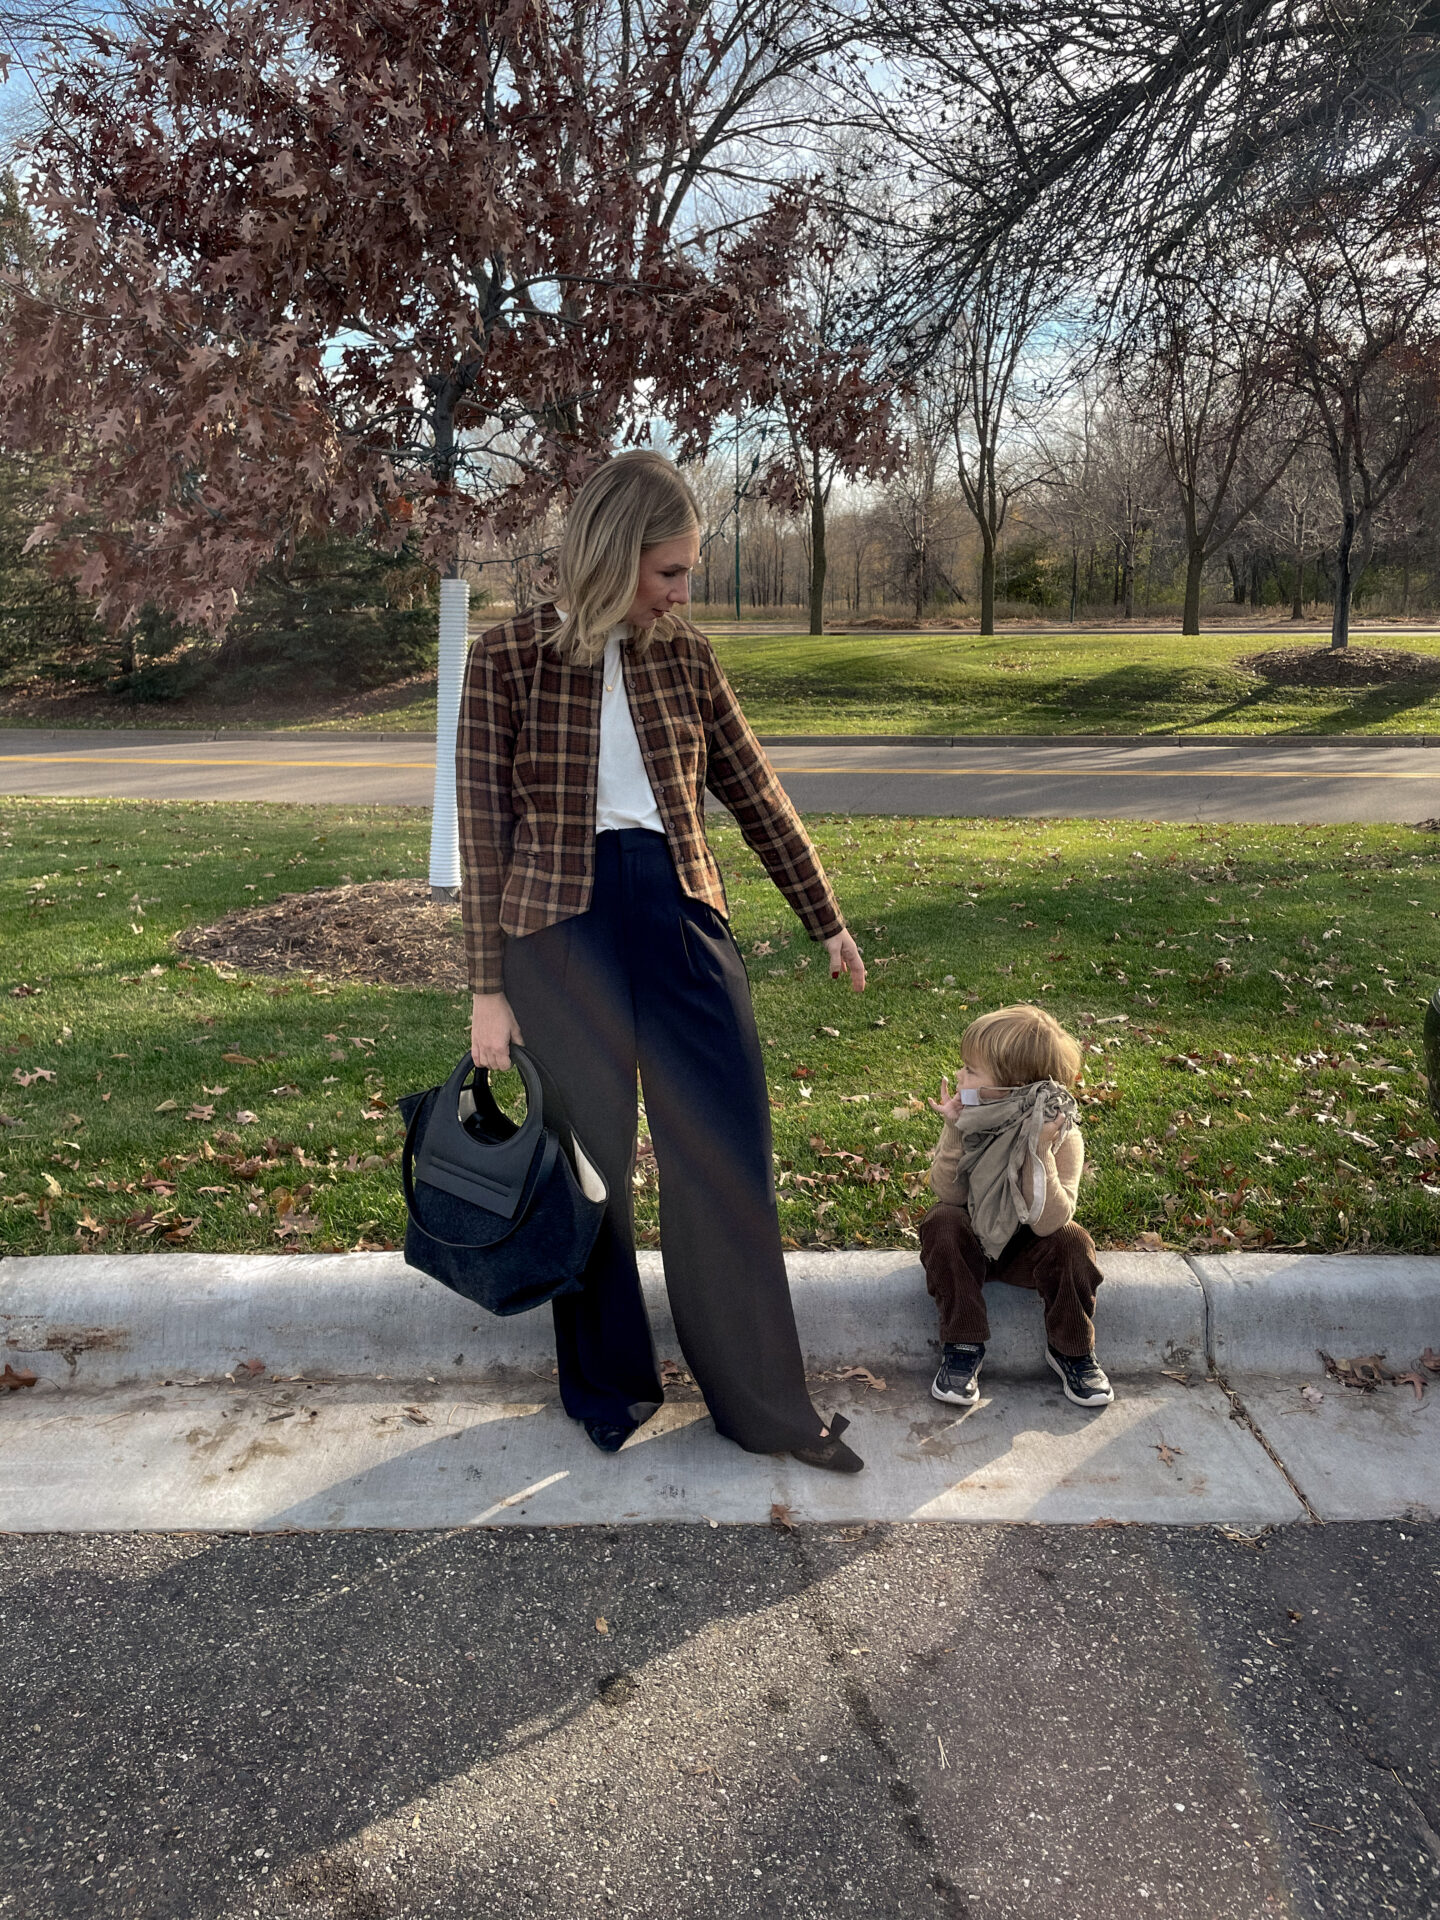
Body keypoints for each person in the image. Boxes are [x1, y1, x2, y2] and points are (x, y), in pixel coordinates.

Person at [457, 449, 868, 1472]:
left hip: (680, 916)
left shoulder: (687, 657)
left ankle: (765, 1405)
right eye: (670, 572)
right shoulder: (505, 657)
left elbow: (756, 792)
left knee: (724, 1163)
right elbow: (483, 832)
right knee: (590, 1178)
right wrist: (485, 991)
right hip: (559, 937)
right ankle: (608, 1387)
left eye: (687, 572)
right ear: (611, 556)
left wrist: (826, 918)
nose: (685, 592)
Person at [919, 1004, 1113, 1411]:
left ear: (1014, 1086)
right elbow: (948, 1194)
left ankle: (1072, 1350)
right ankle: (964, 1345)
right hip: (973, 1246)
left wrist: (1038, 1151)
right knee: (941, 1221)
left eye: (971, 1071)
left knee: (1073, 1241)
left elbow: (1049, 1224)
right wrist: (955, 1129)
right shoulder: (973, 1120)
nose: (959, 1076)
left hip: (1029, 1248)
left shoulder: (1063, 1137)